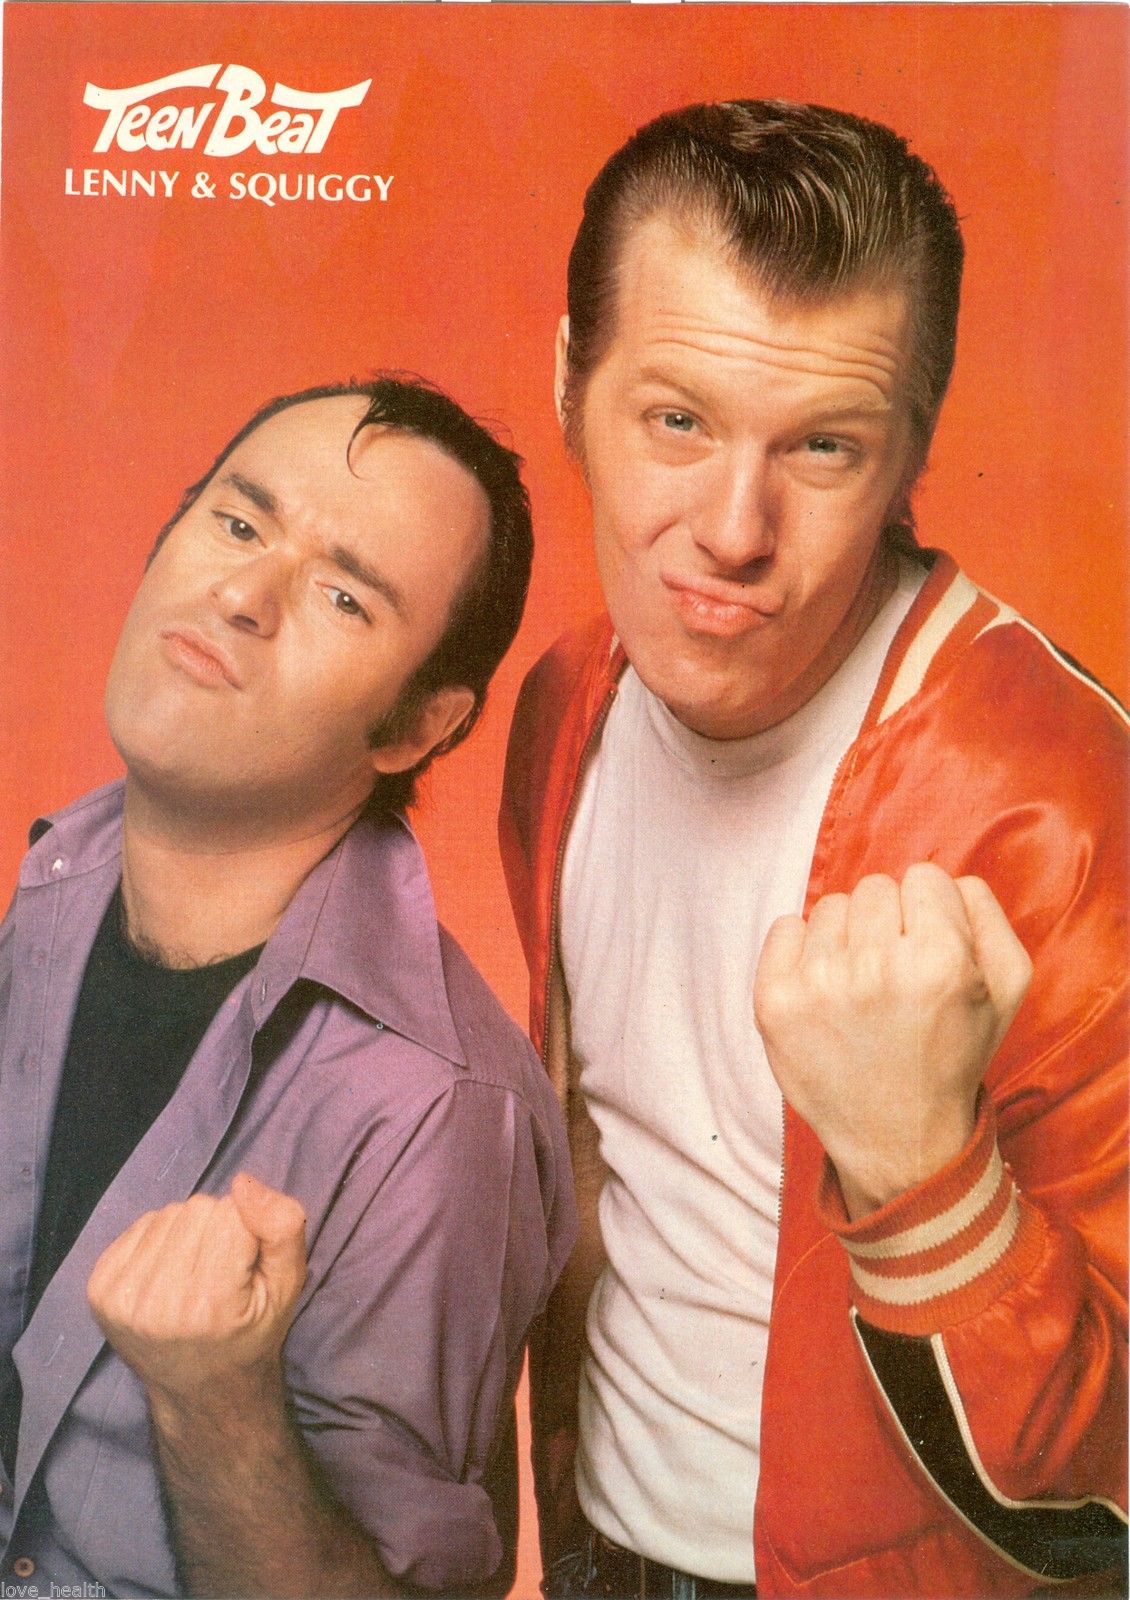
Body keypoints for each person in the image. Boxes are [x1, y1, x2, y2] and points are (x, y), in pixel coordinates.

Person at [500, 102, 1128, 1598]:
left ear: (912, 451)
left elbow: (1107, 1493)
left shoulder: (1060, 809)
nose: (732, 529)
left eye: (823, 446)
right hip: (597, 1549)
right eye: (675, 420)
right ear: (568, 380)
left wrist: (921, 1170)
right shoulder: (565, 703)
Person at [0, 376, 576, 1598]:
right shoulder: (55, 884)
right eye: (237, 521)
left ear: (415, 727)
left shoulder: (437, 1111)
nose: (242, 594)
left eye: (342, 595)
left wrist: (214, 1400)